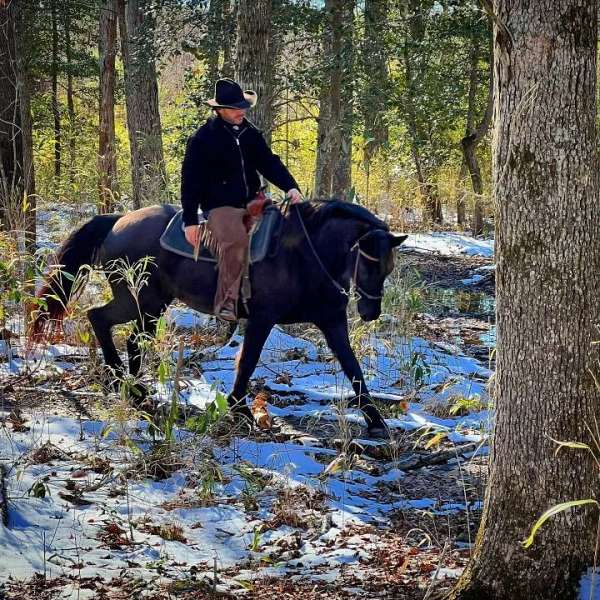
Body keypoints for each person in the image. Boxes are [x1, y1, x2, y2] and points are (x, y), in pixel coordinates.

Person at [181, 78, 302, 322]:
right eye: (235, 108)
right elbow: (190, 181)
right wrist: (190, 220)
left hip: (253, 201)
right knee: (236, 242)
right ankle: (227, 302)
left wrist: (290, 186)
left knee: (289, 227)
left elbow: (269, 163)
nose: (241, 112)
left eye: (243, 107)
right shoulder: (203, 139)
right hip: (220, 207)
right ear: (220, 110)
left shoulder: (250, 133)